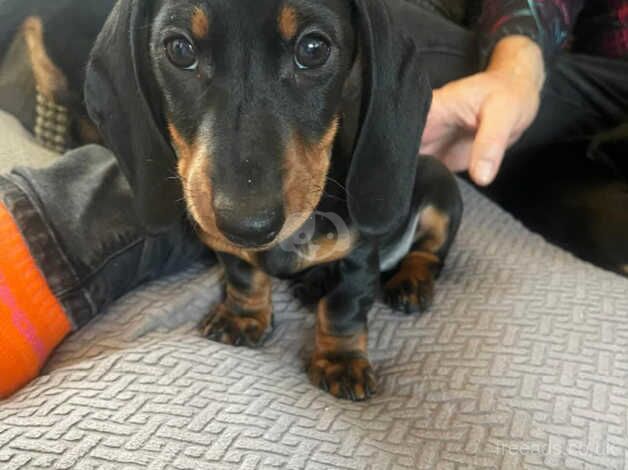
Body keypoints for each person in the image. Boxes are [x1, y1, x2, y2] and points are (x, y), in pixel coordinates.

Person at [0, 0, 626, 398]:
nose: (247, 211)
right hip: (538, 47)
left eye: (311, 49)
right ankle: (34, 216)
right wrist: (517, 63)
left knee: (397, 64)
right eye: (182, 49)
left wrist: (344, 338)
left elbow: (358, 252)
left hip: (605, 84)